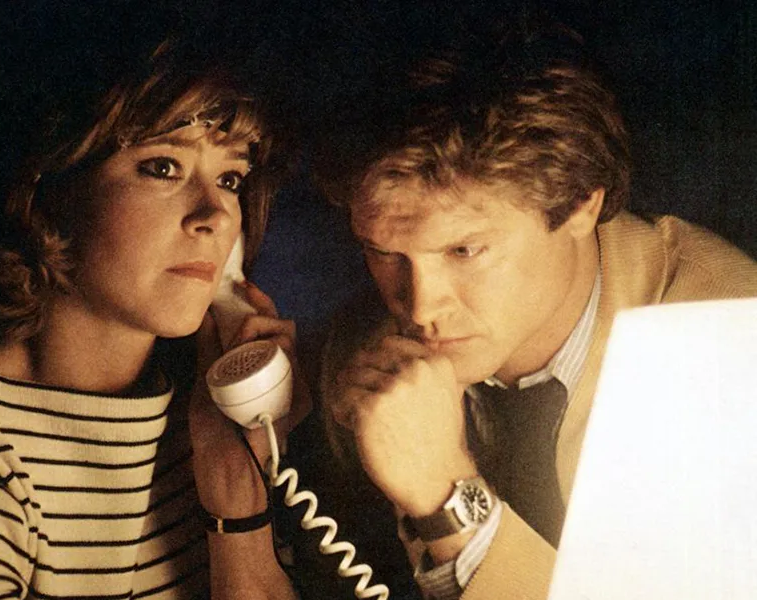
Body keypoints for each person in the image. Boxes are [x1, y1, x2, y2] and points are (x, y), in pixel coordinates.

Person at [288, 17, 757, 600]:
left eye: (465, 250)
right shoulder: (360, 354)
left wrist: (448, 499)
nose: (420, 306)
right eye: (384, 253)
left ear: (582, 205)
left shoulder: (728, 355)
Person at [0, 10, 303, 600]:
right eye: (163, 167)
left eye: (229, 179)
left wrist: (236, 495)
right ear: (46, 195)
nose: (215, 216)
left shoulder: (213, 415)